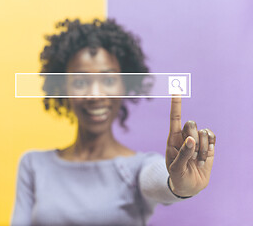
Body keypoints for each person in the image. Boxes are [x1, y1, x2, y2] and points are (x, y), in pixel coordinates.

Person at [11, 18, 216, 226]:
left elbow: (158, 179)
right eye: (80, 81)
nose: (96, 95)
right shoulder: (34, 165)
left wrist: (178, 186)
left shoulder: (137, 168)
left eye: (108, 80)